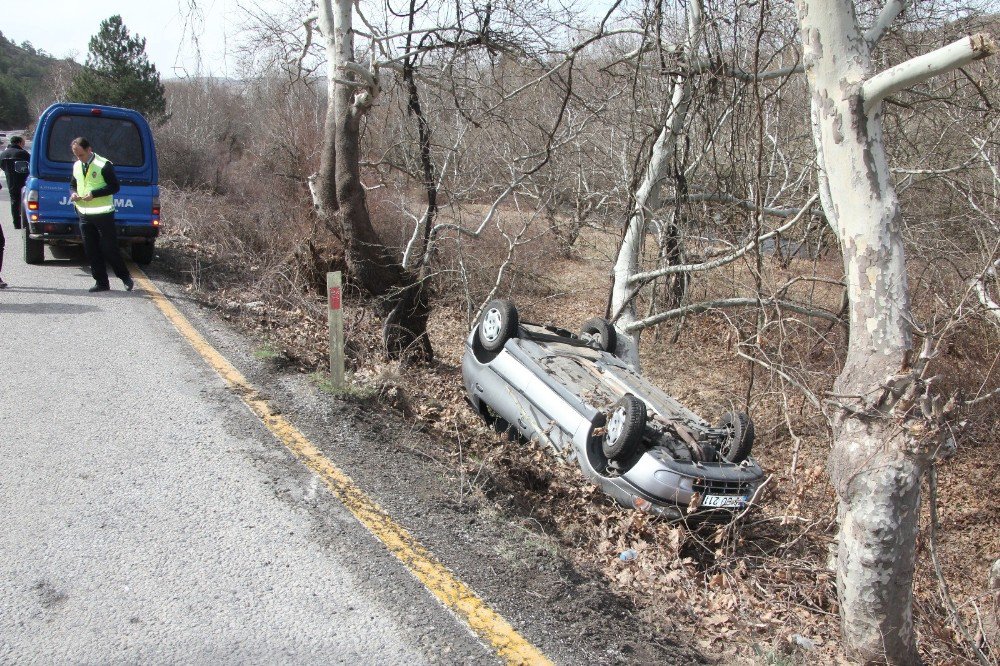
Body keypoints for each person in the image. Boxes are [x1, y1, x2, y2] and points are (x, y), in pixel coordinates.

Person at [69, 137, 133, 292]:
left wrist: (94, 194)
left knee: (109, 248)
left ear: (89, 150)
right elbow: (73, 184)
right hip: (84, 213)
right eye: (76, 155)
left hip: (103, 213)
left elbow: (114, 187)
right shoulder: (77, 165)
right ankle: (101, 283)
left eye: (81, 154)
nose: (79, 158)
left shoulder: (104, 165)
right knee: (91, 250)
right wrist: (73, 194)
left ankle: (125, 278)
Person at [0, 135, 29, 289]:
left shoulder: (3, 154)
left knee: (13, 201)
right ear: (19, 143)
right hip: (23, 181)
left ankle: (15, 222)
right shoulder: (23, 154)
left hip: (11, 180)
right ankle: (21, 222)